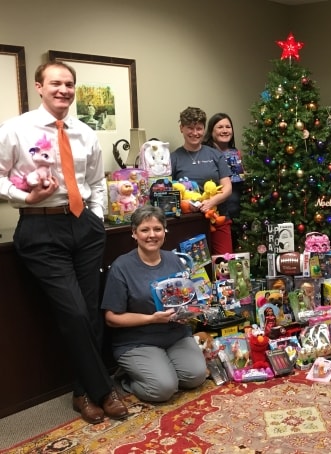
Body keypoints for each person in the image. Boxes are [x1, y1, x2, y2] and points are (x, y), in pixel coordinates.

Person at [0, 61, 127, 424]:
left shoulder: (85, 132)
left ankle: (82, 392)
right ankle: (103, 390)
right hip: (40, 229)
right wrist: (25, 198)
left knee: (90, 312)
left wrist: (97, 217)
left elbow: (97, 181)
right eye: (56, 83)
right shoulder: (15, 130)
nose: (64, 90)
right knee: (72, 313)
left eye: (69, 84)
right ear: (39, 87)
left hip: (84, 226)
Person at [101, 206, 208, 402]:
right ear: (134, 233)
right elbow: (111, 318)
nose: (152, 235)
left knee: (197, 376)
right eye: (144, 230)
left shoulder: (174, 259)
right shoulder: (121, 267)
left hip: (175, 334)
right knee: (163, 389)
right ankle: (126, 379)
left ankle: (162, 368)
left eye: (157, 229)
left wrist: (194, 308)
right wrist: (151, 319)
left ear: (164, 231)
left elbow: (183, 298)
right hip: (136, 341)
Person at [171, 107, 233, 255]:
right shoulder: (174, 158)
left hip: (218, 219)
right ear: (181, 128)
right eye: (190, 128)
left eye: (199, 128)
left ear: (204, 129)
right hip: (188, 223)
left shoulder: (215, 155)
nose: (195, 133)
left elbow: (227, 187)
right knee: (195, 269)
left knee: (224, 263)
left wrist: (211, 202)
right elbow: (169, 192)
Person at [203, 113, 243, 252]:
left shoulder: (236, 153)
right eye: (220, 127)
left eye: (228, 126)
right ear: (211, 131)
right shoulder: (206, 153)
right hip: (215, 213)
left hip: (237, 212)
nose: (225, 130)